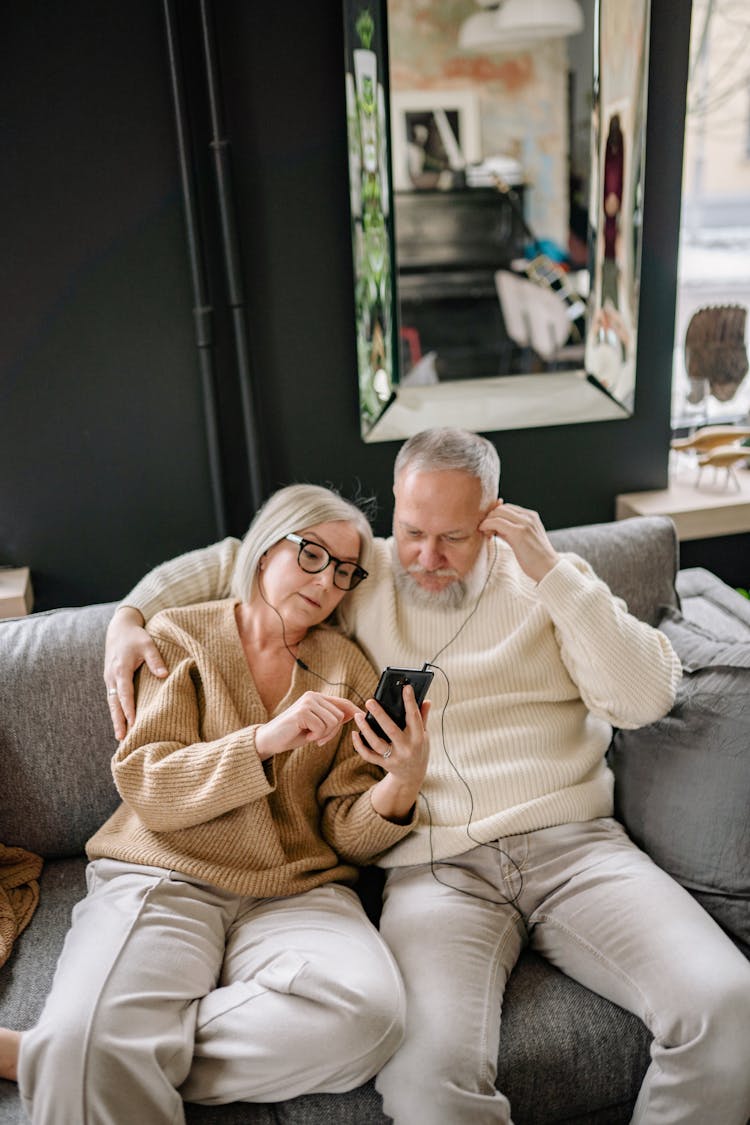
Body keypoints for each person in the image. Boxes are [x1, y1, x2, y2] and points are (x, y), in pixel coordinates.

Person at [99, 429, 750, 1124]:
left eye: (454, 537)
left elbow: (646, 695)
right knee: (424, 1078)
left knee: (728, 1005)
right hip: (437, 871)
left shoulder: (554, 580)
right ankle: (103, 1057)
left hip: (578, 847)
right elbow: (246, 555)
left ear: (494, 518)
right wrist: (128, 617)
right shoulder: (361, 574)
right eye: (411, 531)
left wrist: (553, 573)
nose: (427, 558)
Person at [0, 484, 430, 1123]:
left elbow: (343, 830)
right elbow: (148, 781)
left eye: (345, 571)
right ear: (263, 553)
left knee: (370, 1020)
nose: (327, 582)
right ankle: (87, 1050)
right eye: (311, 555)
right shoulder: (176, 638)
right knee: (92, 1040)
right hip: (163, 873)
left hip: (295, 891)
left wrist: (401, 783)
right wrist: (264, 740)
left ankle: (72, 1054)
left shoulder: (347, 667)